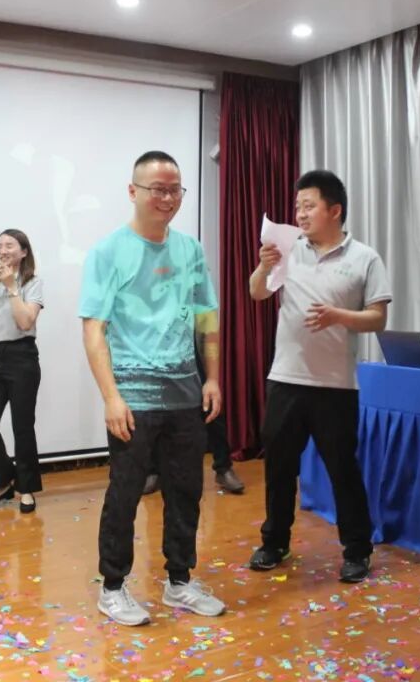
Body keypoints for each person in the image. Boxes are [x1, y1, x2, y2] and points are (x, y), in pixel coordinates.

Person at [80, 150, 226, 626]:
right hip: (133, 396)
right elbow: (94, 329)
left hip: (185, 393)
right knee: (125, 493)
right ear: (133, 192)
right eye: (157, 189)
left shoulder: (190, 250)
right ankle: (113, 587)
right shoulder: (108, 251)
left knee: (186, 491)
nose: (167, 198)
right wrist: (111, 396)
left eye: (174, 190)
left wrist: (213, 377)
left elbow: (206, 317)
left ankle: (179, 581)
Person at [247, 170, 391, 584]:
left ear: (335, 210)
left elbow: (378, 319)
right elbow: (257, 291)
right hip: (285, 379)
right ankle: (274, 542)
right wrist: (263, 266)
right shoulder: (288, 250)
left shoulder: (364, 258)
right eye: (298, 207)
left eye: (308, 206)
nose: (300, 214)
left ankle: (357, 551)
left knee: (343, 470)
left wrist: (337, 316)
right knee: (278, 469)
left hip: (335, 386)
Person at [0, 229, 45, 514]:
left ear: (23, 252)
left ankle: (26, 488)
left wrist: (12, 287)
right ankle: (3, 482)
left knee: (22, 426)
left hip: (22, 355)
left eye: (9, 245)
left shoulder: (33, 283)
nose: (3, 250)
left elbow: (26, 322)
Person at [142, 337, 245, 496]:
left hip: (183, 340)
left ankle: (223, 467)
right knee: (154, 404)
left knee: (208, 403)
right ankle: (153, 470)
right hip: (150, 344)